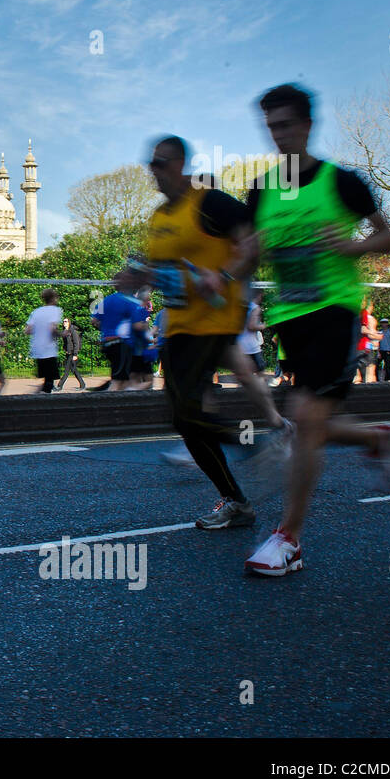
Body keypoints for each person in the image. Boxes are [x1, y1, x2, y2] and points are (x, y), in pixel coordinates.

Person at [242, 83, 390, 576]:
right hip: (290, 318)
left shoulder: (341, 183)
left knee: (305, 417)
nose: (278, 135)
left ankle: (288, 538)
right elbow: (247, 251)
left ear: (308, 125)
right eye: (271, 127)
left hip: (335, 311)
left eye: (287, 124)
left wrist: (349, 245)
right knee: (307, 423)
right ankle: (378, 439)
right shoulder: (262, 189)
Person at [141, 135, 275, 531]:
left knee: (187, 412)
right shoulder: (159, 219)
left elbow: (254, 245)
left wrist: (225, 275)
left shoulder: (210, 202)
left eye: (162, 163)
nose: (155, 170)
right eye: (151, 163)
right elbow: (163, 271)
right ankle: (238, 497)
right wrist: (138, 275)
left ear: (180, 163)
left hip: (217, 321)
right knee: (184, 418)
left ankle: (251, 449)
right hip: (178, 325)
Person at [92, 274, 139, 391]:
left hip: (107, 343)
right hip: (121, 344)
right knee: (118, 381)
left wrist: (105, 328)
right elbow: (137, 324)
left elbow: (94, 320)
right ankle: (106, 404)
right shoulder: (129, 301)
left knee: (123, 380)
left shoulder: (106, 300)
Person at [25, 288, 64, 393]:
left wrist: (40, 330)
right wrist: (62, 334)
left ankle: (35, 397)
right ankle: (37, 402)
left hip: (37, 349)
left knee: (47, 380)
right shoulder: (55, 310)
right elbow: (52, 329)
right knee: (49, 382)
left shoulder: (36, 311)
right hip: (48, 349)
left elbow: (28, 330)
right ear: (54, 298)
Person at [56, 317, 86, 391]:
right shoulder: (65, 331)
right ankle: (82, 384)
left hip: (72, 353)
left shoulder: (73, 331)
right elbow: (65, 342)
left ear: (69, 322)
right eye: (63, 321)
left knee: (66, 370)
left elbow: (76, 343)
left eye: (66, 321)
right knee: (74, 370)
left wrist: (75, 354)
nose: (64, 322)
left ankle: (60, 386)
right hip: (68, 353)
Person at [354, 299, 380, 383]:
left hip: (355, 347)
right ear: (370, 306)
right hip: (365, 347)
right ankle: (370, 392)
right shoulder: (365, 314)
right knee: (370, 370)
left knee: (357, 374)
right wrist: (375, 334)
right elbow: (363, 329)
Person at [376, 317, 390, 382]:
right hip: (381, 351)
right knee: (375, 365)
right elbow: (377, 343)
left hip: (389, 351)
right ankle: (376, 379)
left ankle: (388, 379)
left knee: (388, 367)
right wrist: (378, 352)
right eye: (382, 323)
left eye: (385, 323)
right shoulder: (379, 332)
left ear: (387, 324)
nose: (384, 324)